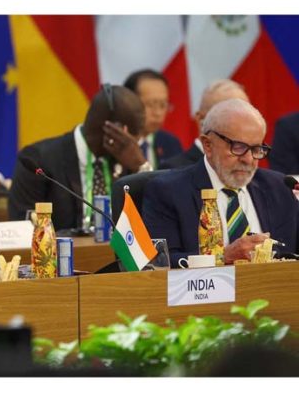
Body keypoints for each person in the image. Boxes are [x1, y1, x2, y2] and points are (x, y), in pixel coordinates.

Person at [143, 98, 298, 268]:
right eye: (238, 147)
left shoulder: (278, 187)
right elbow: (160, 263)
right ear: (208, 145)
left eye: (256, 149)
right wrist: (223, 256)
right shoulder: (168, 191)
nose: (248, 159)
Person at [8, 84, 149, 232]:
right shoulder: (38, 161)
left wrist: (141, 167)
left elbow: (153, 221)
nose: (136, 145)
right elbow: (24, 230)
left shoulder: (127, 158)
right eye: (134, 137)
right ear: (115, 131)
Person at [161, 79, 248, 169]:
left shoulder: (255, 175)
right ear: (201, 119)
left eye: (246, 116)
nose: (240, 125)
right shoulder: (172, 170)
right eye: (228, 116)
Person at [123, 69, 182, 168]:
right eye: (151, 104)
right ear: (129, 103)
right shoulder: (117, 143)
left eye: (163, 105)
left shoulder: (171, 144)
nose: (158, 113)